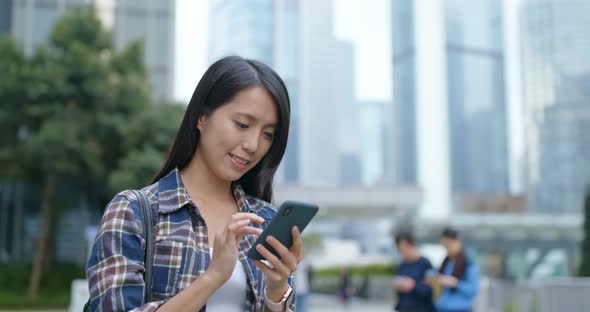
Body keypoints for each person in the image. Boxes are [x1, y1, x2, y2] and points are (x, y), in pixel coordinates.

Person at [86, 56, 300, 312]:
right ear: (202, 117)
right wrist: (213, 277)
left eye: (268, 134)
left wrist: (276, 293)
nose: (253, 145)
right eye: (242, 124)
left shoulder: (264, 220)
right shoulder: (133, 213)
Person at [428, 228, 479, 312]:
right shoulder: (446, 263)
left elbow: (473, 290)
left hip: (460, 309)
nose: (447, 248)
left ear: (458, 242)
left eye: (449, 244)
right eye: (444, 245)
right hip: (441, 308)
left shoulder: (468, 264)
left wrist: (455, 283)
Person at [393, 231, 435, 312]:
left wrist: (413, 286)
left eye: (404, 248)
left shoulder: (425, 264)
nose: (402, 252)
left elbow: (430, 290)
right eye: (400, 249)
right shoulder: (402, 266)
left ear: (412, 245)